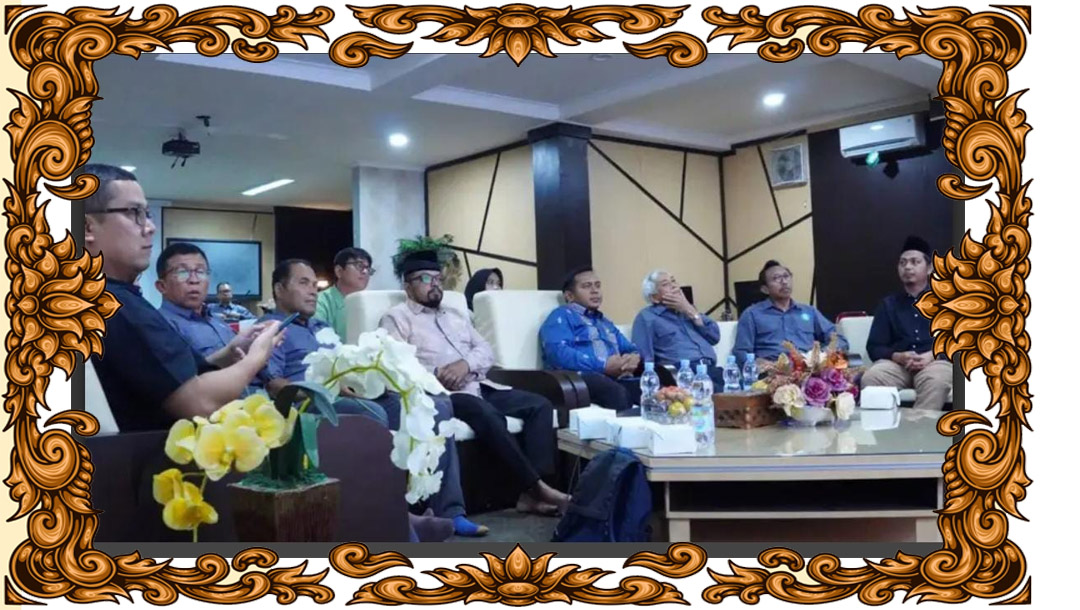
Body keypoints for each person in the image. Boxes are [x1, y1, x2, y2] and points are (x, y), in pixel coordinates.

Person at [259, 258, 481, 540]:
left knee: (435, 405)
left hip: (353, 394)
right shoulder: (271, 328)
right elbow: (274, 384)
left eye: (315, 284)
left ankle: (451, 511)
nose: (313, 290)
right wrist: (326, 388)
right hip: (311, 403)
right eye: (304, 283)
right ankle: (398, 519)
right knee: (373, 413)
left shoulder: (321, 326)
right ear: (279, 289)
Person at [80, 164, 280, 431]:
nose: (150, 227)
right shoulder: (116, 305)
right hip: (148, 453)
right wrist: (257, 356)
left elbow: (166, 376)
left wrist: (229, 353)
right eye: (133, 213)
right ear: (87, 227)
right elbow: (199, 402)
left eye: (147, 214)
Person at [380, 250, 569, 518]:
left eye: (438, 278)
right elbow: (397, 363)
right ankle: (537, 487)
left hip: (479, 385)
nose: (435, 284)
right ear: (407, 285)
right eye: (425, 278)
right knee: (485, 413)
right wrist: (439, 373)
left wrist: (465, 365)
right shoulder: (396, 317)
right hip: (442, 394)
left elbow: (486, 350)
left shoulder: (456, 314)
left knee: (539, 405)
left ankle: (532, 494)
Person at [861, 236, 953, 410]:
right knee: (872, 377)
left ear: (929, 268)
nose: (908, 267)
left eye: (915, 262)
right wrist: (898, 356)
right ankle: (886, 428)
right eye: (903, 263)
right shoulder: (889, 304)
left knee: (936, 381)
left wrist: (932, 355)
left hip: (935, 362)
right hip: (898, 366)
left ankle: (920, 426)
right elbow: (874, 346)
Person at [539, 266, 642, 412]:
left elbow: (628, 347)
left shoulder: (604, 321)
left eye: (597, 285)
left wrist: (633, 357)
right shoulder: (561, 316)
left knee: (656, 390)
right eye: (587, 286)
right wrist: (602, 365)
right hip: (580, 379)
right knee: (617, 393)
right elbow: (558, 353)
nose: (595, 291)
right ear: (569, 296)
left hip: (616, 377)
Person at [733, 260, 848, 365]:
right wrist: (758, 363)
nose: (784, 282)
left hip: (809, 369)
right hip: (772, 370)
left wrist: (823, 354)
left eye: (786, 276)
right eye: (776, 278)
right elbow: (741, 352)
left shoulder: (809, 312)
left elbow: (839, 339)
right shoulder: (752, 314)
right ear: (765, 289)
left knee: (845, 370)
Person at [631, 270, 722, 386]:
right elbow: (645, 360)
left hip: (710, 369)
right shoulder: (647, 317)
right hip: (682, 374)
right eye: (665, 284)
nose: (674, 286)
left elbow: (715, 337)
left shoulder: (688, 310)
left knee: (741, 388)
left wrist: (689, 309)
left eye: (673, 281)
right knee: (720, 392)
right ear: (654, 297)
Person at [314, 246, 374, 339]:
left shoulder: (371, 301)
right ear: (339, 271)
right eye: (359, 266)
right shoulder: (320, 302)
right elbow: (318, 338)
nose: (365, 271)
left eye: (368, 268)